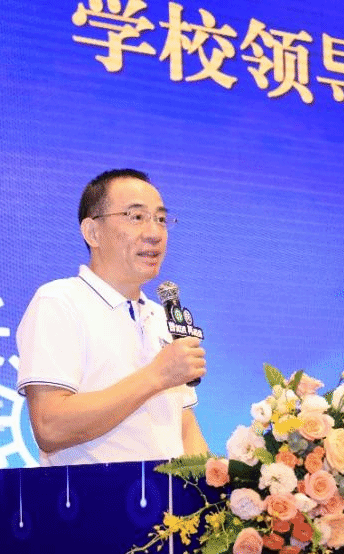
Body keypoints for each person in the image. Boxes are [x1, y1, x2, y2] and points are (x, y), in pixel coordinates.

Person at [15, 168, 209, 465]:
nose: (154, 233)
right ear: (92, 232)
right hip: (93, 493)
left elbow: (185, 429)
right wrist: (157, 376)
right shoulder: (59, 301)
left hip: (167, 494)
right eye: (136, 217)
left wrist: (216, 483)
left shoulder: (162, 318)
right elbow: (50, 427)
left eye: (160, 219)